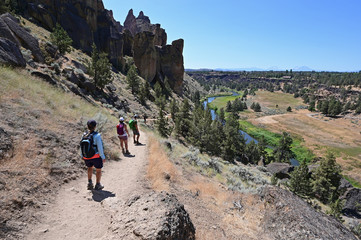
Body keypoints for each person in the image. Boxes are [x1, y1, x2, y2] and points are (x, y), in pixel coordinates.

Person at [81, 120, 105, 190]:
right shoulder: (97, 135)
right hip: (96, 156)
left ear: (87, 126)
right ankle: (98, 184)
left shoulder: (84, 134)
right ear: (95, 126)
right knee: (98, 170)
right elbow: (100, 147)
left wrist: (82, 155)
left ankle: (89, 183)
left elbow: (81, 145)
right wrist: (102, 156)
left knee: (89, 168)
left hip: (86, 156)